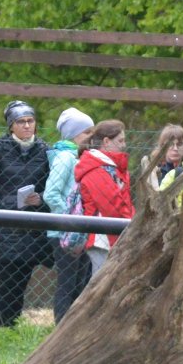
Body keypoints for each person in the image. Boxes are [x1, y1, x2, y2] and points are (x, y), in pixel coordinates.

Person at [0, 100, 53, 329]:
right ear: (11, 126)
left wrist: (40, 198)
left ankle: (13, 324)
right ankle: (3, 327)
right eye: (21, 122)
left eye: (30, 121)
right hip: (5, 226)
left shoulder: (45, 151)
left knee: (23, 279)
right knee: (8, 281)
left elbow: (52, 188)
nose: (26, 126)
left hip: (34, 227)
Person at [44, 107, 95, 322]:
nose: (91, 138)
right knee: (68, 282)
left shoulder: (80, 156)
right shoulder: (65, 157)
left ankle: (74, 325)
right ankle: (61, 327)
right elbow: (51, 193)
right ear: (73, 135)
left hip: (79, 230)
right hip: (64, 232)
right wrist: (69, 217)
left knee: (80, 282)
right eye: (87, 133)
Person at [72, 119, 132, 277]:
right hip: (102, 239)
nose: (124, 145)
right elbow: (112, 206)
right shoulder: (96, 168)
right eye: (120, 140)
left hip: (112, 235)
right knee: (100, 284)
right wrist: (133, 223)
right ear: (106, 141)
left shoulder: (110, 168)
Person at [146, 124, 183, 191]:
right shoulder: (154, 170)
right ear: (162, 147)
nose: (175, 149)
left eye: (179, 144)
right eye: (170, 144)